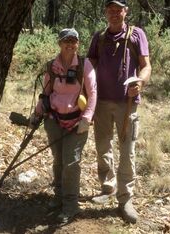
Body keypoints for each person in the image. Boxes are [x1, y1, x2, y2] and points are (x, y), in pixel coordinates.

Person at [87, 0, 151, 224]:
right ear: (106, 12)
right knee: (103, 148)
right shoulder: (99, 37)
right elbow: (90, 66)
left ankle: (125, 200)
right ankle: (108, 188)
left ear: (126, 11)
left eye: (119, 9)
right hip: (101, 103)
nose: (114, 13)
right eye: (110, 10)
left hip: (127, 104)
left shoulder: (136, 35)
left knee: (127, 152)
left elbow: (145, 66)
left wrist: (140, 82)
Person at [30, 28, 97, 224]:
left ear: (78, 43)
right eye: (66, 40)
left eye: (74, 41)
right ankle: (58, 197)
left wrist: (87, 118)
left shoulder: (85, 65)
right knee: (58, 161)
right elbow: (46, 93)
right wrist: (37, 113)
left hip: (77, 123)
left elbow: (93, 94)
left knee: (71, 163)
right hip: (54, 121)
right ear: (59, 43)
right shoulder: (52, 66)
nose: (70, 44)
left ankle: (71, 205)